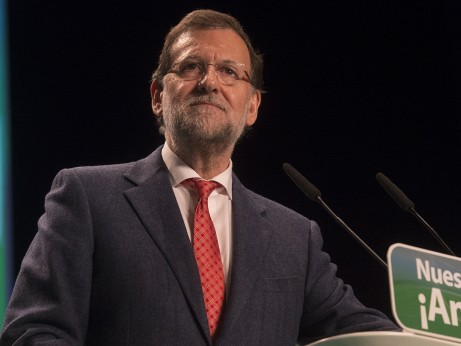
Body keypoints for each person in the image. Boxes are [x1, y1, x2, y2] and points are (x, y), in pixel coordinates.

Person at [0, 8, 399, 346]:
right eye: (192, 67)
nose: (209, 82)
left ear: (252, 106)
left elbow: (363, 333)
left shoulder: (294, 237)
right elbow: (35, 331)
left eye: (229, 72)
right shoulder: (88, 198)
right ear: (158, 95)